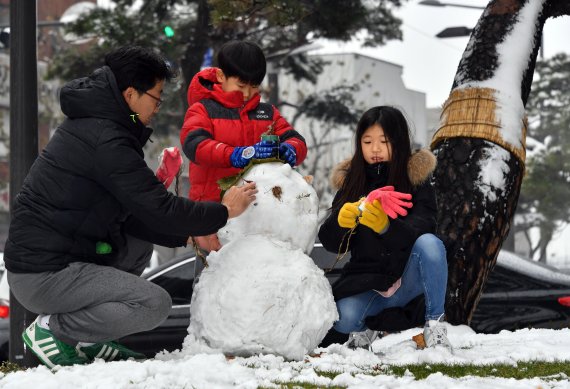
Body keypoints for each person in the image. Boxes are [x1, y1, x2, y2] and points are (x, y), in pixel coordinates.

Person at [4, 45, 257, 369]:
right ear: (130, 93)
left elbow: (132, 215)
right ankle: (54, 331)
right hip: (44, 273)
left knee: (137, 246)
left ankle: (84, 339)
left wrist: (190, 238)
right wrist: (223, 211)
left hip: (52, 263)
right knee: (153, 304)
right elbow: (159, 207)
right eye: (156, 97)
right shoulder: (105, 139)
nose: (158, 107)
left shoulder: (99, 127)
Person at [318, 106, 451, 352]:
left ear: (398, 142)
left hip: (408, 279)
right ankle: (365, 328)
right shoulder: (352, 182)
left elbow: (424, 226)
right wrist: (340, 221)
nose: (375, 148)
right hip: (369, 284)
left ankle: (435, 325)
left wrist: (387, 227)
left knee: (430, 243)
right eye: (367, 141)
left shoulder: (416, 179)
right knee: (344, 317)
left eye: (384, 141)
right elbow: (330, 242)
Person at [179, 40, 307, 253]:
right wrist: (235, 155)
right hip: (213, 217)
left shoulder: (266, 113)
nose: (247, 93)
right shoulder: (202, 110)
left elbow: (296, 139)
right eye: (241, 85)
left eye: (254, 86)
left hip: (258, 218)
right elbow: (195, 144)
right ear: (221, 76)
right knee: (217, 281)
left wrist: (291, 150)